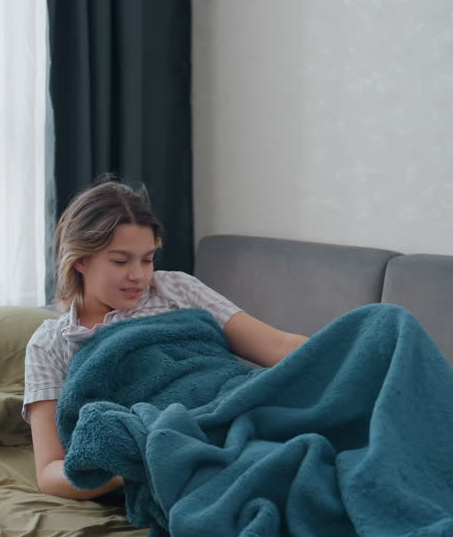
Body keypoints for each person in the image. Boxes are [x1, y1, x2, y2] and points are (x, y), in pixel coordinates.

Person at [24, 179, 309, 500]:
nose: (139, 275)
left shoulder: (177, 289)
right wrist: (134, 467)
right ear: (80, 260)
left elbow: (277, 346)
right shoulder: (50, 344)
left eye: (147, 259)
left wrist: (344, 353)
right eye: (121, 261)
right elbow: (50, 473)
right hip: (167, 449)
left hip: (235, 409)